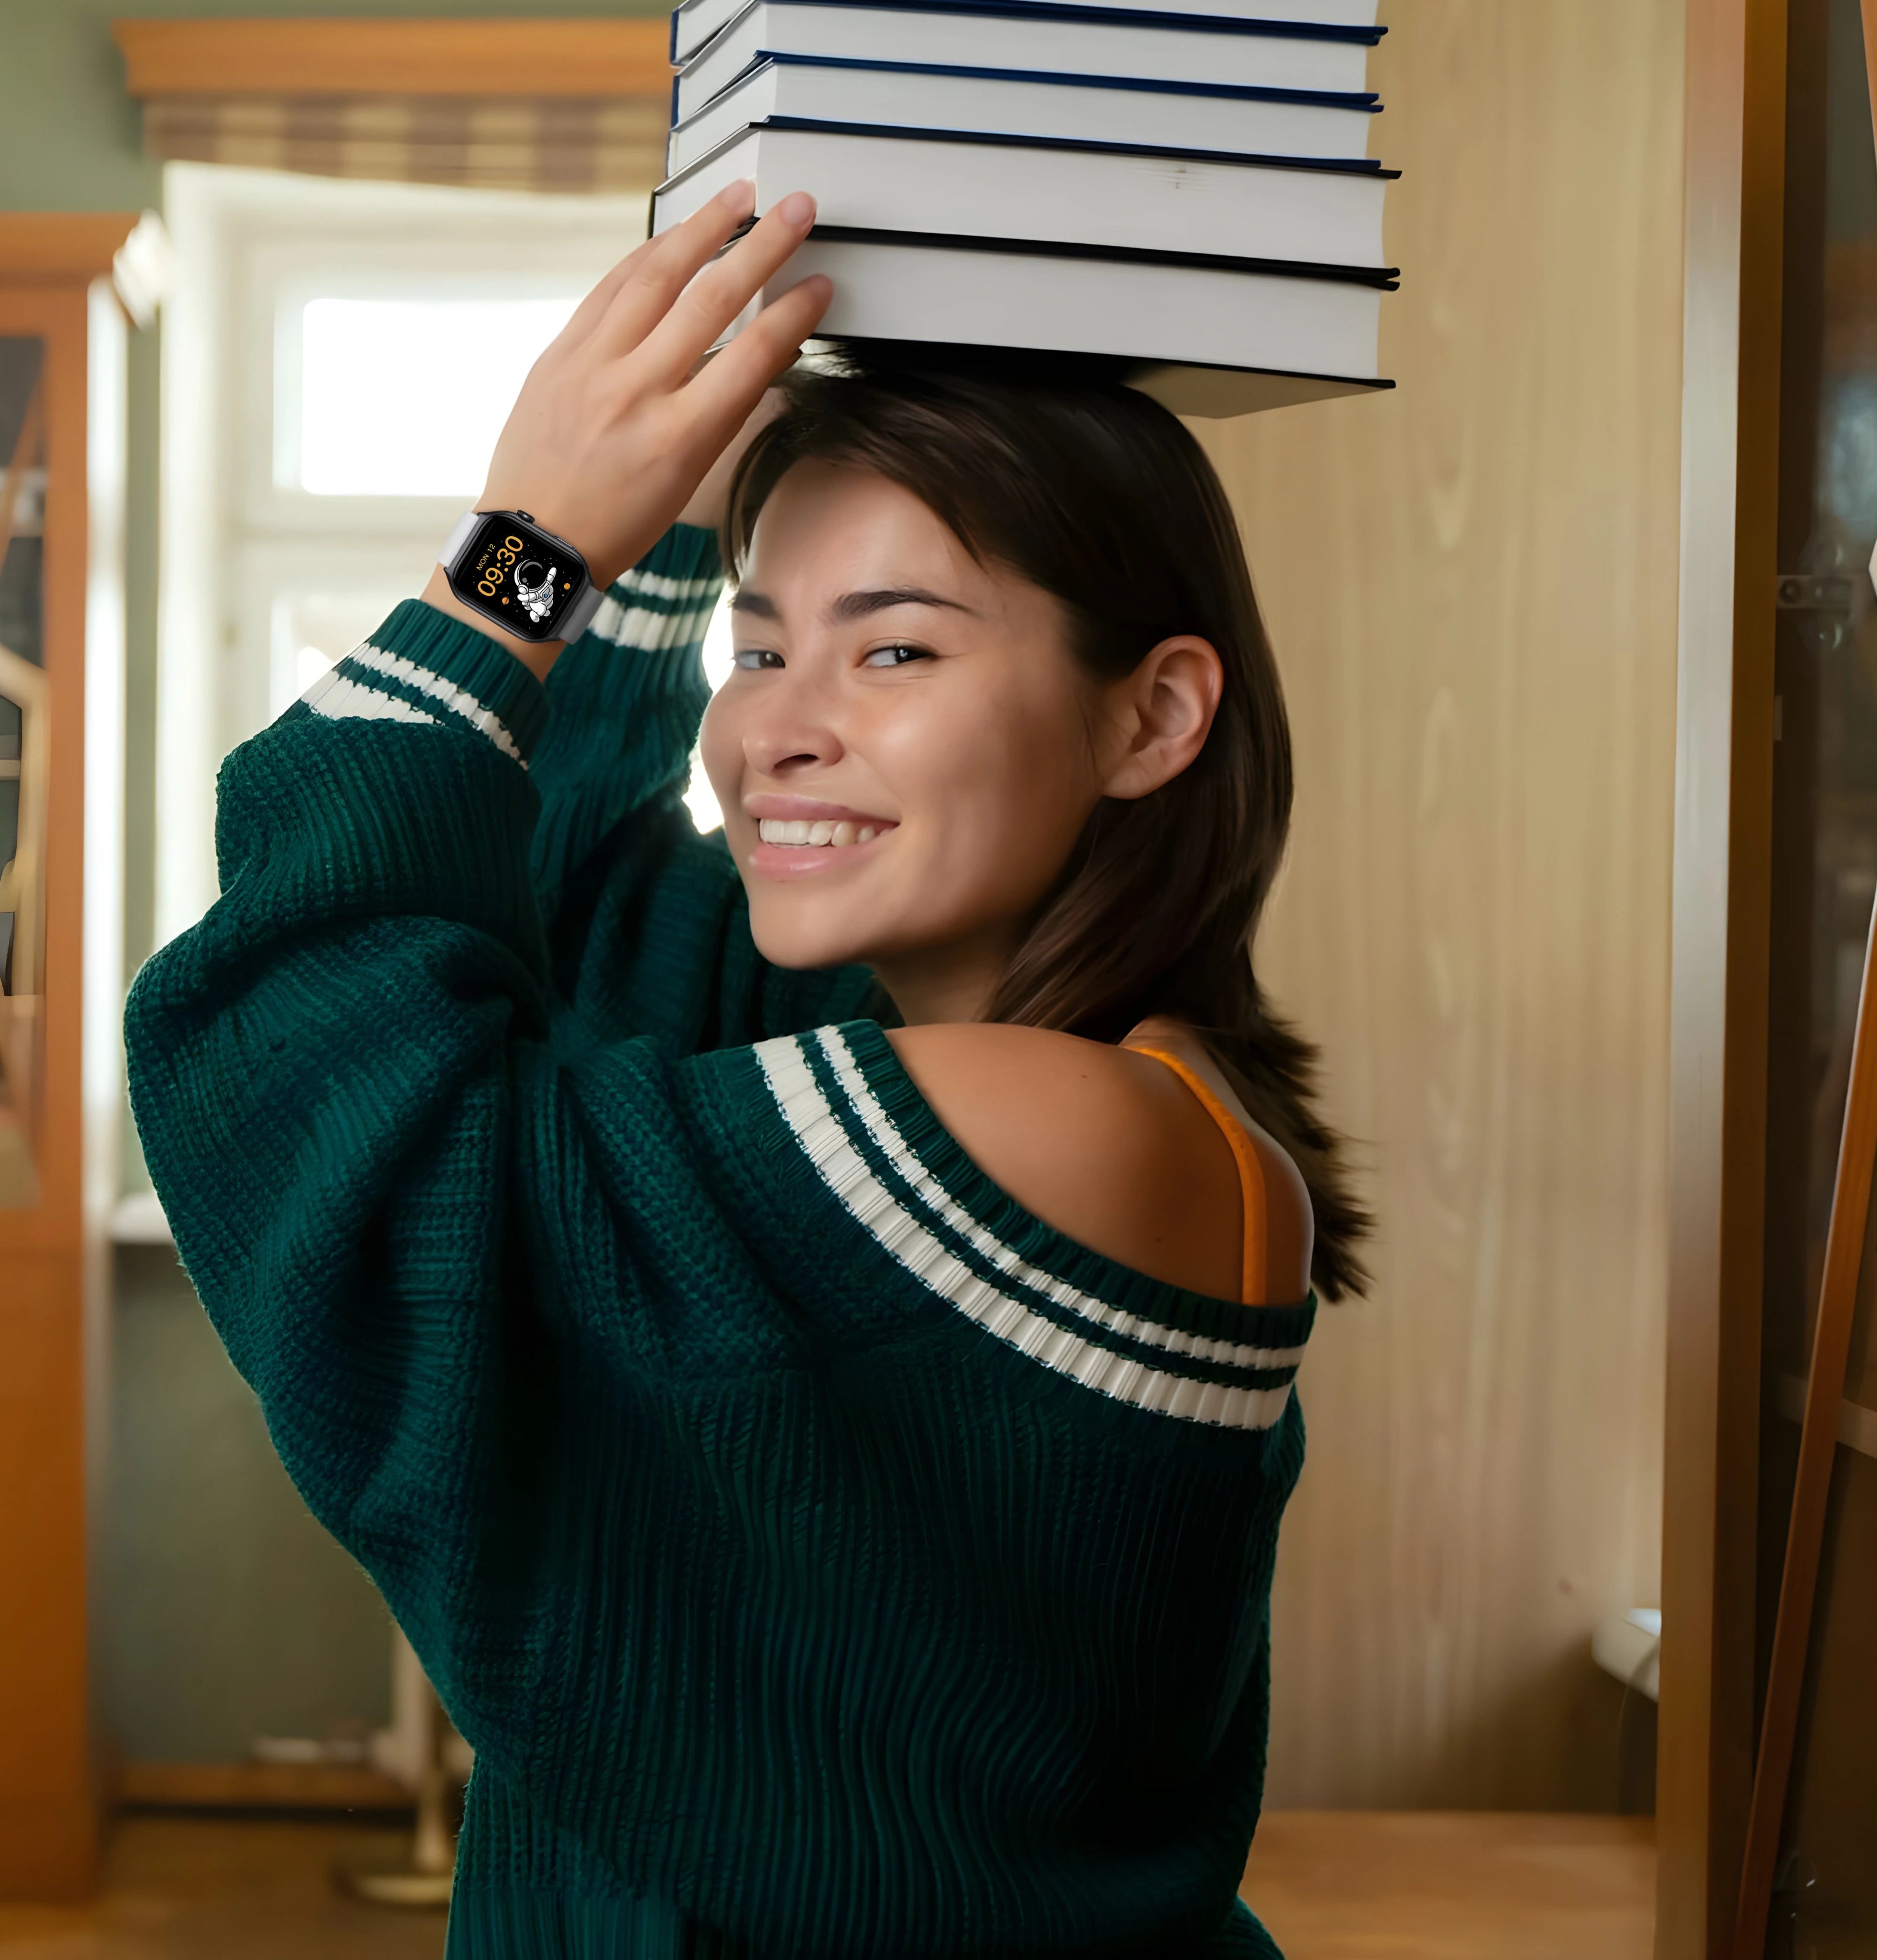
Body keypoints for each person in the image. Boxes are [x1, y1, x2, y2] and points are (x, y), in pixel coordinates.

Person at [123, 181, 1365, 1958]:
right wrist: (652, 541)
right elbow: (539, 937)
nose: (776, 723)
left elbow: (329, 1088)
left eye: (897, 647)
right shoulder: (928, 1062)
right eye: (760, 645)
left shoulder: (1065, 1127)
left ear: (1154, 715)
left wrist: (519, 555)